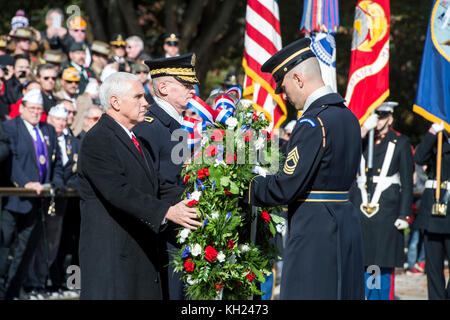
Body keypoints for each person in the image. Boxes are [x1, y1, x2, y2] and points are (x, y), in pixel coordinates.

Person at [243, 37, 364, 300]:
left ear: (298, 79)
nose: (283, 96)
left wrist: (246, 185)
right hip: (346, 223)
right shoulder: (349, 117)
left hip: (315, 230)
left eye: (284, 87)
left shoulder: (313, 123)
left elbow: (286, 186)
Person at [77, 72, 201, 299]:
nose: (146, 103)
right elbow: (119, 191)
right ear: (115, 102)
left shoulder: (132, 138)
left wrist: (202, 197)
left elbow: (154, 186)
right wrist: (167, 211)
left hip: (137, 256)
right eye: (138, 97)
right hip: (113, 260)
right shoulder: (99, 138)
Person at [134, 53, 197, 300]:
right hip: (164, 229)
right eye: (186, 85)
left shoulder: (175, 124)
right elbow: (151, 183)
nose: (193, 90)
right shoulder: (149, 125)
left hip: (182, 225)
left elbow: (183, 174)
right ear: (163, 87)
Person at [0, 89, 63, 300]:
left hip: (38, 201)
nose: (36, 113)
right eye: (32, 108)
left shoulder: (48, 130)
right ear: (23, 108)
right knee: (5, 247)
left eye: (39, 109)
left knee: (26, 251)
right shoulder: (9, 128)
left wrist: (56, 182)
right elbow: (11, 161)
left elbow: (56, 162)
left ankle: (14, 291)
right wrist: (25, 183)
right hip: (13, 200)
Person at [350, 102, 414, 300]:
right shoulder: (361, 141)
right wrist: (362, 132)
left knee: (380, 265)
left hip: (386, 211)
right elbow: (345, 158)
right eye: (376, 115)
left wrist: (405, 213)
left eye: (383, 116)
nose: (378, 120)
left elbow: (406, 182)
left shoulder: (400, 142)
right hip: (360, 210)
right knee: (362, 262)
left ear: (391, 118)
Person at [413, 122, 450, 300]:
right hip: (433, 211)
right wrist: (433, 132)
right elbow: (419, 157)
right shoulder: (437, 139)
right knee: (433, 269)